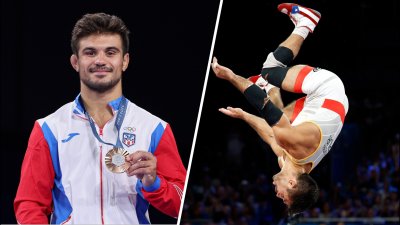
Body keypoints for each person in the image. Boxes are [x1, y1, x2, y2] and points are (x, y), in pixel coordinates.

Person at [14, 12, 186, 224]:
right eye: (90, 52)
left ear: (125, 61)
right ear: (75, 62)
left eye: (110, 52)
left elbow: (180, 204)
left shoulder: (153, 127)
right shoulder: (50, 128)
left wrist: (153, 183)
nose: (100, 60)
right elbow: (29, 204)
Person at [211, 3, 349, 215]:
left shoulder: (289, 162)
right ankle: (306, 22)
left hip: (328, 110)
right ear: (292, 184)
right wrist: (231, 77)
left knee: (280, 118)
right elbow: (264, 107)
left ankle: (268, 87)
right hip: (328, 89)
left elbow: (269, 134)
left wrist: (243, 116)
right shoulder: (296, 148)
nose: (278, 196)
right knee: (270, 69)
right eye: (284, 198)